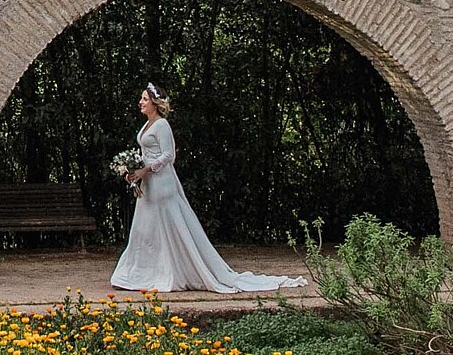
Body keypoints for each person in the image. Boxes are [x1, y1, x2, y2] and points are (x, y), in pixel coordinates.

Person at [109, 82, 307, 294]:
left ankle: (172, 271)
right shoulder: (147, 125)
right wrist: (132, 171)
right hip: (148, 185)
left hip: (162, 184)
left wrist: (146, 169)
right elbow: (147, 153)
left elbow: (169, 156)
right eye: (142, 99)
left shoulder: (162, 125)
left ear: (155, 103)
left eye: (145, 99)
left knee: (165, 228)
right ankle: (140, 272)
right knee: (145, 229)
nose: (141, 102)